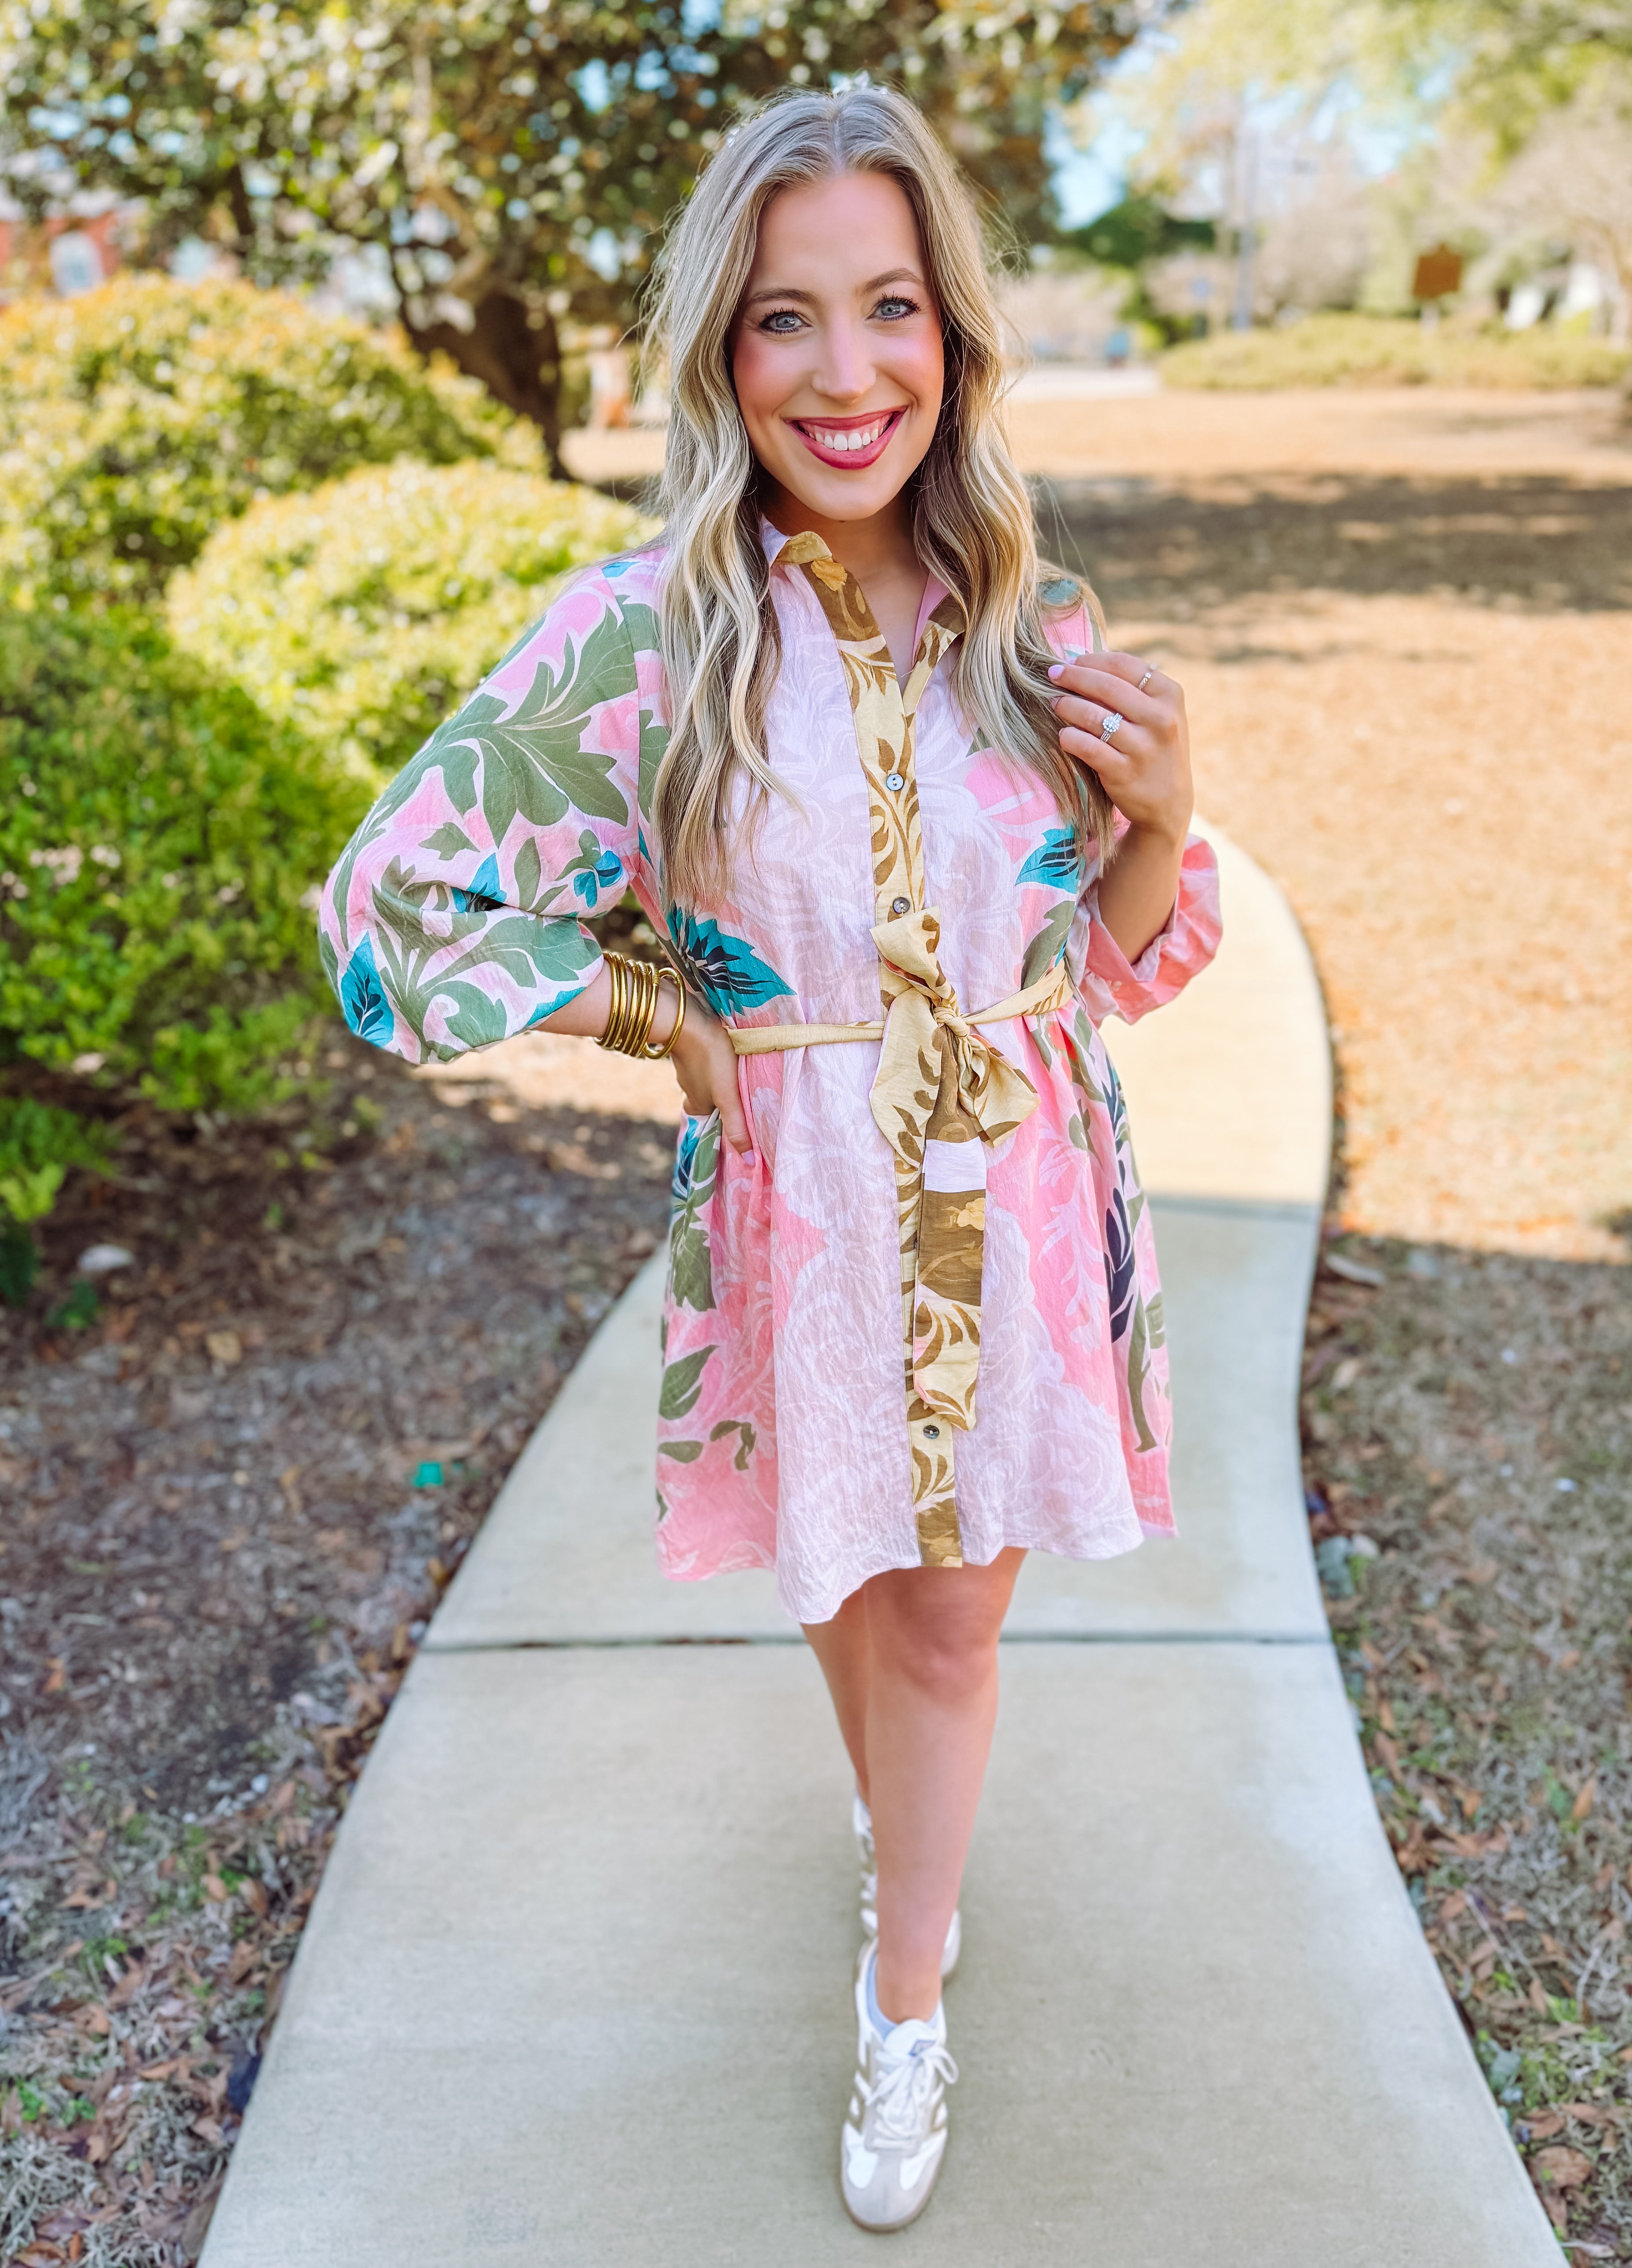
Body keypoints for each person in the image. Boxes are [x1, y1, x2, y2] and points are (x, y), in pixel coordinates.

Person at [319, 83, 1219, 2234]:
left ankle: (905, 1995)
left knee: (945, 1633)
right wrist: (661, 1025)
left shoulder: (1029, 610)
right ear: (722, 353)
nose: (846, 374)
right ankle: (904, 1843)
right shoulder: (649, 634)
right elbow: (386, 917)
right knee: (845, 1588)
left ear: (956, 332)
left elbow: (1090, 967)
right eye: (784, 320)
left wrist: (1168, 820)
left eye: (890, 308)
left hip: (1013, 1204)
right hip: (804, 1223)